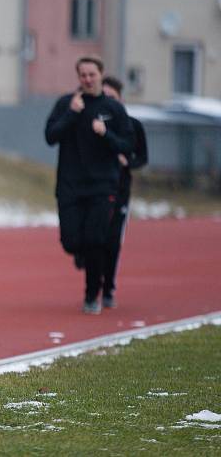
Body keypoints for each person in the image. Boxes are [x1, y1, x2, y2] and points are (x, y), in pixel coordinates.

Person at [45, 56, 134, 315]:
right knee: (71, 242)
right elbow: (50, 136)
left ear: (100, 74)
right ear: (78, 77)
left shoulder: (113, 109)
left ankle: (92, 295)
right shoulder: (66, 104)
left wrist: (106, 134)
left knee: (96, 240)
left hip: (102, 186)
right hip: (70, 185)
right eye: (82, 75)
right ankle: (81, 254)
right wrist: (72, 115)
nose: (87, 79)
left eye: (92, 74)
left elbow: (128, 145)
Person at [101, 76, 148, 308]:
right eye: (104, 97)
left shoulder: (133, 125)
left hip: (119, 190)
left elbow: (142, 158)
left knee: (111, 240)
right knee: (91, 237)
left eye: (112, 97)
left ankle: (108, 286)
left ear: (120, 99)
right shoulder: (94, 125)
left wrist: (127, 162)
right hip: (94, 188)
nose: (108, 102)